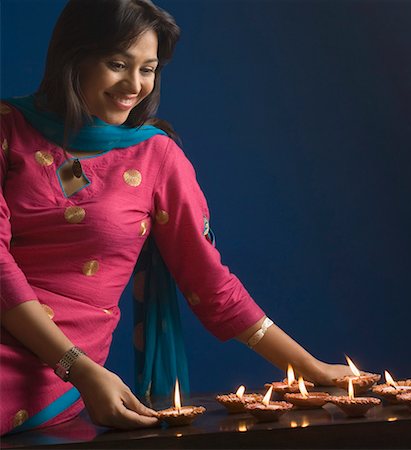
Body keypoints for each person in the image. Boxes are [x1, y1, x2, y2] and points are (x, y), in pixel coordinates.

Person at [0, 0, 352, 436]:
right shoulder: (7, 129)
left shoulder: (156, 156)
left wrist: (306, 366)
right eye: (117, 64)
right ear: (73, 57)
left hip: (47, 368)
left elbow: (209, 283)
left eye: (147, 69)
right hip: (71, 364)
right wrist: (80, 370)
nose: (134, 85)